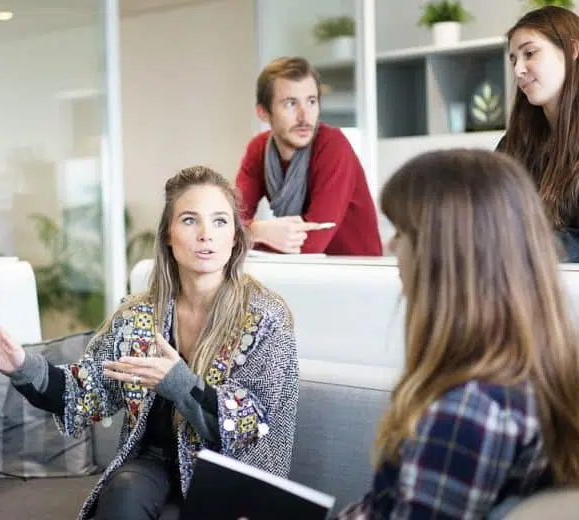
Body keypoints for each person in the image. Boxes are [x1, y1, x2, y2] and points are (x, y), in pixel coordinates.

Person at [0, 166, 299, 520]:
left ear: (235, 236)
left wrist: (180, 384)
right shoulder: (139, 315)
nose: (206, 234)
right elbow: (86, 392)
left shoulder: (265, 316)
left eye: (220, 221)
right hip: (154, 461)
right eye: (190, 220)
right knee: (123, 488)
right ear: (168, 236)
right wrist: (22, 366)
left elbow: (252, 423)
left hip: (230, 469)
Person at [337, 149, 579, 518]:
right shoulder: (536, 374)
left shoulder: (469, 411)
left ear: (444, 257)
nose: (391, 246)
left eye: (401, 232)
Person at [235, 56, 382, 256]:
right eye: (290, 104)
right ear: (263, 113)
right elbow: (229, 223)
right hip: (302, 274)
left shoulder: (332, 145)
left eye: (311, 101)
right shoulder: (258, 149)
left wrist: (251, 234)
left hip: (356, 275)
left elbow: (312, 243)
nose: (304, 116)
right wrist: (257, 230)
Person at [496, 6, 579, 260]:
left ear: (572, 51)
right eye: (513, 59)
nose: (518, 70)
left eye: (529, 53)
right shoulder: (513, 144)